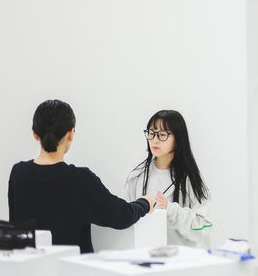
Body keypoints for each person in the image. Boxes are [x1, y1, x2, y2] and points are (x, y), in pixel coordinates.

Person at [8, 100, 155, 253]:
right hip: (73, 266)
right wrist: (145, 203)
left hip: (30, 266)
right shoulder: (80, 179)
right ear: (71, 134)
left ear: (34, 134)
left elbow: (15, 227)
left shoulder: (18, 173)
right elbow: (122, 216)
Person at [126, 110, 212, 247]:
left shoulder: (190, 178)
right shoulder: (136, 177)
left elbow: (204, 227)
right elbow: (128, 221)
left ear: (177, 140)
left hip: (181, 257)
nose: (155, 140)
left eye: (162, 135)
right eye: (151, 133)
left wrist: (170, 209)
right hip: (146, 256)